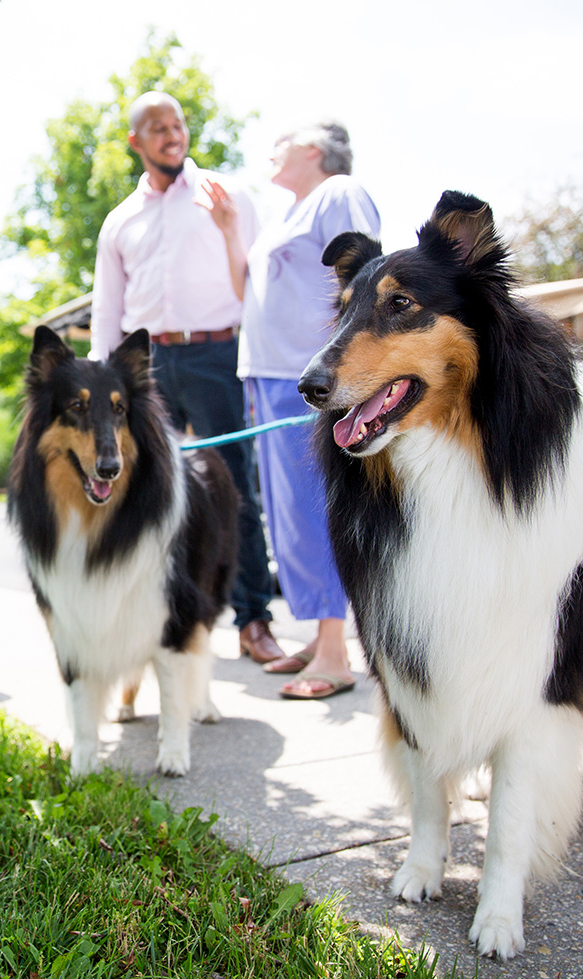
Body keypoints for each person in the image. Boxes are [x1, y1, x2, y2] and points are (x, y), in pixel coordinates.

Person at [90, 91, 283, 665]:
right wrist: (105, 380)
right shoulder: (120, 220)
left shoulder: (228, 196)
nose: (172, 135)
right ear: (135, 141)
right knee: (145, 494)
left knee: (235, 489)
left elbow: (256, 281)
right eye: (158, 127)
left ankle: (253, 620)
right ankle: (154, 623)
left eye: (177, 125)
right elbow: (108, 307)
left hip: (216, 356)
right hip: (144, 369)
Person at [203, 121, 380, 699]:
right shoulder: (286, 214)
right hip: (267, 375)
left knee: (313, 510)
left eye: (283, 142)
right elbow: (245, 290)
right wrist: (229, 229)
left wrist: (347, 370)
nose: (272, 150)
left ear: (312, 149)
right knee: (287, 518)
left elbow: (366, 279)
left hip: (310, 379)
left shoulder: (337, 193)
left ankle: (334, 653)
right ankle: (318, 639)